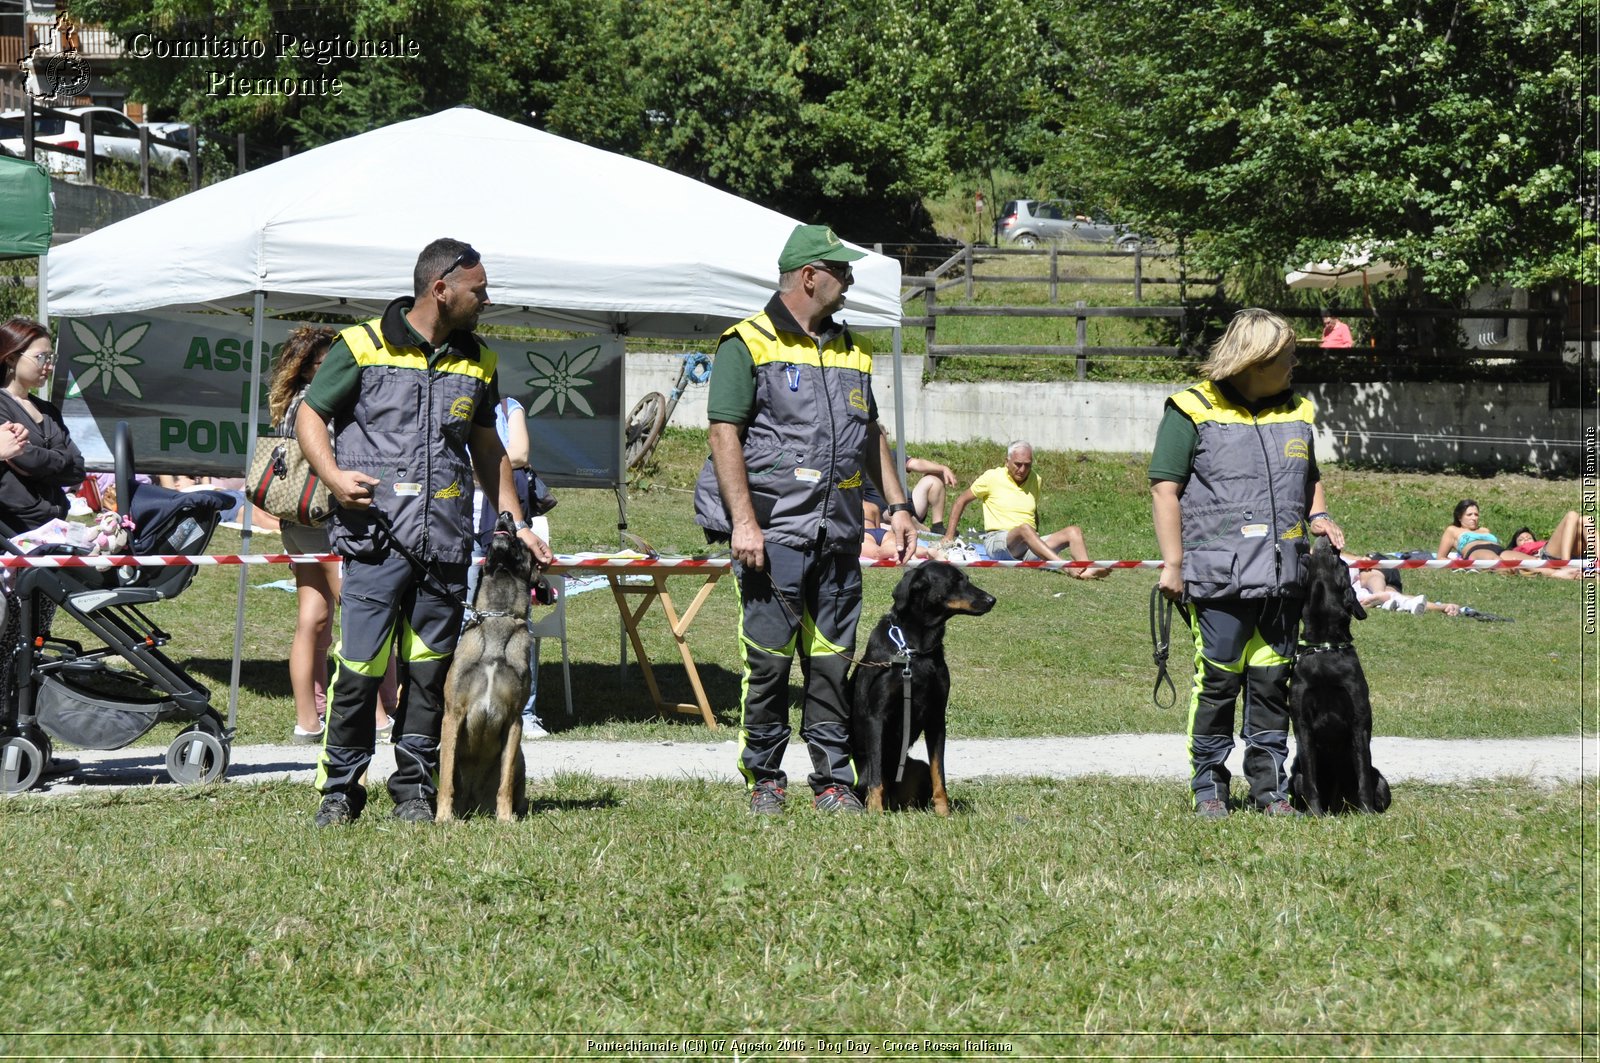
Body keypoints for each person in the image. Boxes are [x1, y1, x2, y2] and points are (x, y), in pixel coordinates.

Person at [296, 238, 553, 827]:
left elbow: (488, 447)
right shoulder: (360, 346)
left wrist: (512, 520)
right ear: (441, 289)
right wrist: (333, 477)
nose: (485, 299)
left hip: (443, 542)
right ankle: (340, 791)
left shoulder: (479, 360)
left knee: (429, 672)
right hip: (376, 538)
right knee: (359, 670)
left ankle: (413, 788)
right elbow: (311, 414)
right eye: (478, 290)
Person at [693, 223, 916, 815]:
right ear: (809, 276)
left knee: (831, 666)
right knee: (767, 667)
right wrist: (744, 523)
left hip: (840, 537)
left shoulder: (854, 351)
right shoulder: (747, 343)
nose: (847, 282)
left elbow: (871, 436)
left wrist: (896, 506)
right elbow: (724, 435)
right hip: (773, 537)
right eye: (840, 272)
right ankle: (764, 776)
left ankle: (832, 779)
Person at [1150, 308, 1345, 818]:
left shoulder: (1298, 410)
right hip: (1218, 578)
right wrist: (1173, 564)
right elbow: (1165, 490)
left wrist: (1319, 514)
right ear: (1254, 361)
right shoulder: (1190, 408)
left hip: (1284, 579)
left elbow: (1309, 477)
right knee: (1217, 683)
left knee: (1271, 683)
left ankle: (1269, 789)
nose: (1294, 364)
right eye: (1286, 356)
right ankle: (1209, 788)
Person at [267, 326, 391, 744]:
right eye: (327, 364)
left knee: (312, 619)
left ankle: (308, 721)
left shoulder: (288, 405)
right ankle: (375, 717)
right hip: (327, 521)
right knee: (359, 616)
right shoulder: (320, 406)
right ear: (307, 370)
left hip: (297, 522)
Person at [466, 393, 551, 740]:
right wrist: (487, 464)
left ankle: (524, 712)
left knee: (518, 622)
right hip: (457, 520)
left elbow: (519, 454)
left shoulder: (507, 406)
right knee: (462, 621)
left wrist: (476, 465)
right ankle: (464, 704)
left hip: (504, 522)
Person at [941, 440, 1109, 578]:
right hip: (999, 543)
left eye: (1027, 465)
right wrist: (949, 536)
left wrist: (1036, 538)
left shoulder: (1036, 479)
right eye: (1018, 464)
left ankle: (1085, 569)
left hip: (1027, 543)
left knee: (1074, 531)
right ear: (1007, 462)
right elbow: (960, 501)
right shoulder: (992, 477)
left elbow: (1032, 511)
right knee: (1024, 529)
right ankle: (1065, 567)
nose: (1022, 470)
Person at [0, 318, 85, 534]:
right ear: (11, 358)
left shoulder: (48, 411)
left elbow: (78, 469)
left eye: (51, 357)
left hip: (56, 524)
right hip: (16, 528)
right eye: (41, 358)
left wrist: (35, 467)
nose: (49, 365)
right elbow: (23, 456)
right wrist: (61, 460)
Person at [1438, 499, 1579, 580]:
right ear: (1459, 516)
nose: (1474, 518)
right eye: (1469, 515)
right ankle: (1553, 574)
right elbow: (1440, 557)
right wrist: (1459, 563)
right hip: (1475, 550)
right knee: (1498, 563)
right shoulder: (1453, 530)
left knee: (1535, 562)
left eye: (1476, 514)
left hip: (1499, 549)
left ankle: (1559, 573)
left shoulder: (1485, 530)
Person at [1341, 553, 1460, 616]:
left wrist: (1359, 559)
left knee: (1369, 575)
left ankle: (1380, 594)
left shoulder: (1333, 560)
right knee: (1397, 598)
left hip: (1373, 567)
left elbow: (1342, 554)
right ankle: (1443, 607)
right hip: (1370, 585)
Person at [1509, 511, 1593, 561]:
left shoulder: (1541, 544)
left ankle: (1598, 562)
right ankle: (1566, 563)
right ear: (1516, 545)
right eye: (1521, 539)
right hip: (1545, 557)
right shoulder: (1516, 551)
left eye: (1529, 537)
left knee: (1585, 520)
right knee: (1572, 515)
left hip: (1564, 552)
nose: (1526, 538)